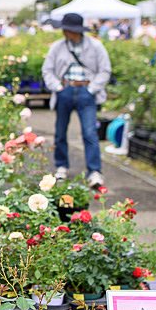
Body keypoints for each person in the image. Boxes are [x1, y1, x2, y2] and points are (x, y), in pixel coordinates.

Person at [41, 12, 112, 188]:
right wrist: (57, 87)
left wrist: (91, 89)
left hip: (86, 91)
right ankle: (61, 166)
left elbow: (105, 70)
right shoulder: (57, 47)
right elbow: (47, 70)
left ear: (77, 31)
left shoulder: (95, 46)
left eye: (68, 30)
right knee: (60, 133)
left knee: (89, 133)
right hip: (65, 90)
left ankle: (94, 171)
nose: (65, 33)